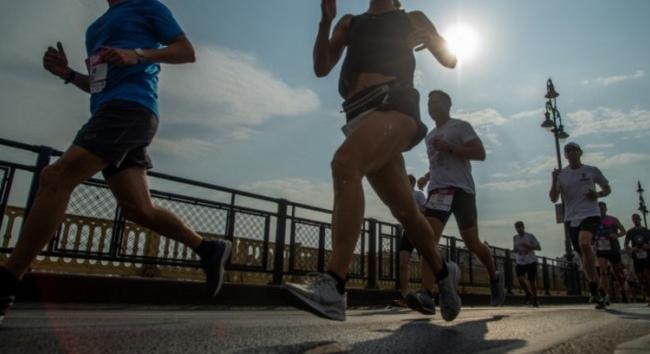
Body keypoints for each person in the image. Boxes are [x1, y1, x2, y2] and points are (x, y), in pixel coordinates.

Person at [0, 0, 231, 324]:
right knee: (138, 209)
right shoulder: (95, 28)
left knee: (56, 177)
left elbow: (186, 51)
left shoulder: (148, 7)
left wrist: (139, 54)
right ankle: (207, 248)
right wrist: (66, 73)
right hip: (110, 111)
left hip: (131, 110)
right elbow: (98, 85)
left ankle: (7, 281)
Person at [286, 0, 461, 322]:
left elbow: (450, 60)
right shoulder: (351, 22)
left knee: (345, 164)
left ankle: (335, 286)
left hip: (395, 106)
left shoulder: (412, 17)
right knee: (406, 211)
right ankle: (443, 273)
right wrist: (326, 22)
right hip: (359, 116)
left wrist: (434, 40)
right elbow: (322, 67)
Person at [410, 90, 506, 313]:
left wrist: (451, 148)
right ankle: (426, 293)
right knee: (427, 238)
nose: (431, 106)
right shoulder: (429, 135)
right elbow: (439, 162)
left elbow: (480, 153)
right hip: (438, 191)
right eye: (429, 103)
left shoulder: (461, 126)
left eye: (436, 102)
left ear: (447, 105)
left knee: (472, 242)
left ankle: (494, 277)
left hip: (462, 191)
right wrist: (428, 176)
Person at [549, 142, 611, 309]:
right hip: (571, 218)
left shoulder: (592, 170)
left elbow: (607, 188)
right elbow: (553, 198)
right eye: (567, 151)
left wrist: (597, 194)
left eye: (573, 150)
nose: (570, 153)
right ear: (565, 156)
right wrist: (554, 179)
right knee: (582, 255)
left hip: (591, 214)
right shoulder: (562, 175)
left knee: (585, 244)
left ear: (580, 152)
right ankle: (596, 288)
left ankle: (594, 288)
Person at [392, 174, 428, 308]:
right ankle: (405, 296)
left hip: (420, 231)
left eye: (406, 182)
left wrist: (415, 209)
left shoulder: (418, 195)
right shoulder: (401, 197)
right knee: (403, 264)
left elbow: (426, 210)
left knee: (424, 263)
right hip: (407, 232)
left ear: (411, 184)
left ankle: (426, 293)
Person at [593, 201, 627, 304]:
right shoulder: (595, 221)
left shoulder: (612, 219)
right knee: (603, 271)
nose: (601, 210)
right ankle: (605, 294)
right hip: (601, 249)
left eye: (603, 208)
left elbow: (623, 231)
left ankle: (623, 291)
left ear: (606, 209)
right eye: (599, 208)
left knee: (618, 273)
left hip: (613, 248)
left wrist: (616, 236)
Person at [512, 221, 541, 307]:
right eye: (517, 227)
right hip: (520, 261)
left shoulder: (530, 236)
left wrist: (529, 247)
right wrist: (516, 250)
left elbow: (539, 247)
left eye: (520, 227)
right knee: (520, 279)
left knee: (532, 281)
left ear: (523, 227)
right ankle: (528, 293)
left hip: (531, 261)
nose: (518, 229)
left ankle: (535, 299)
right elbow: (515, 248)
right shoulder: (515, 237)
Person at [624, 213, 650, 306]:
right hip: (637, 257)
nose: (635, 221)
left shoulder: (646, 231)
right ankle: (646, 295)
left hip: (647, 257)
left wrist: (648, 246)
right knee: (640, 278)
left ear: (640, 219)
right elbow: (626, 245)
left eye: (637, 219)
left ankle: (648, 297)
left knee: (647, 277)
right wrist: (631, 249)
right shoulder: (630, 232)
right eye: (634, 219)